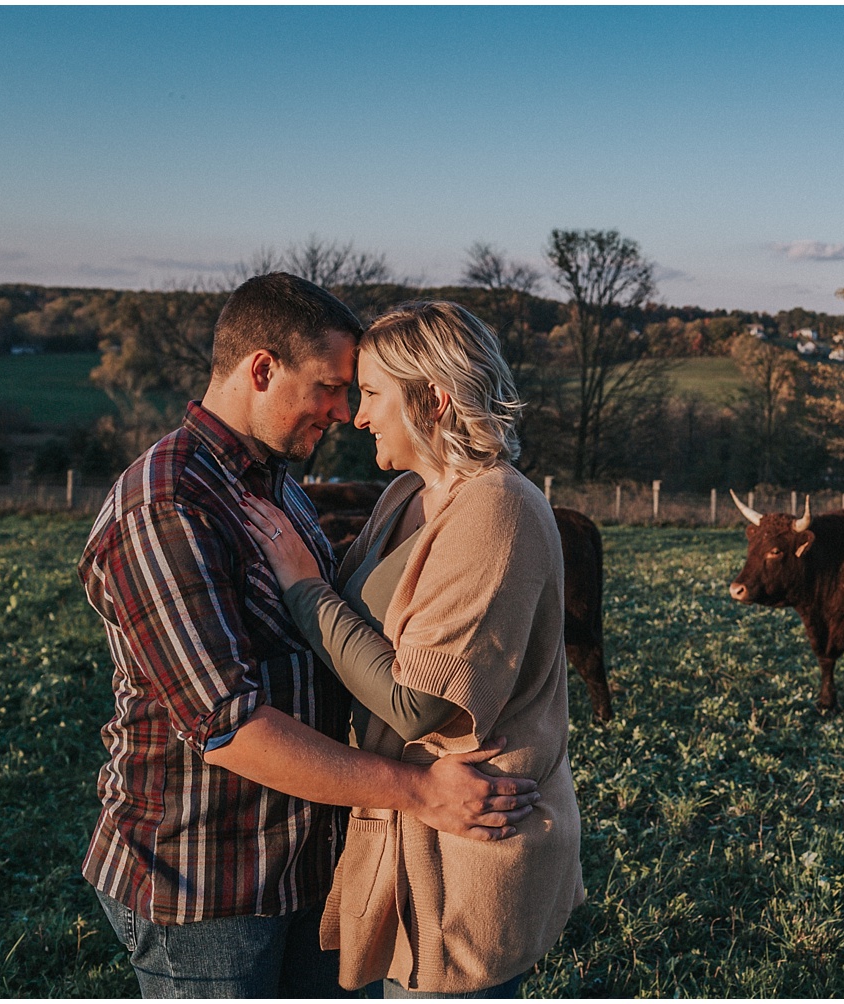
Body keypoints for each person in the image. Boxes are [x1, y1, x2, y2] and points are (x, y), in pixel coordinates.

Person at [78, 273, 540, 999]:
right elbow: (231, 729)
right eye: (330, 386)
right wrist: (419, 791)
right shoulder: (168, 507)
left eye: (357, 391)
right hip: (208, 884)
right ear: (262, 369)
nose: (344, 410)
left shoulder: (276, 481)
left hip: (305, 866)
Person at [240, 299, 584, 998]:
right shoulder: (409, 495)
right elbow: (357, 620)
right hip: (407, 831)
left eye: (370, 394)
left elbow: (417, 702)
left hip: (467, 852)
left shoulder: (497, 509)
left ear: (435, 398)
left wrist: (304, 589)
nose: (356, 416)